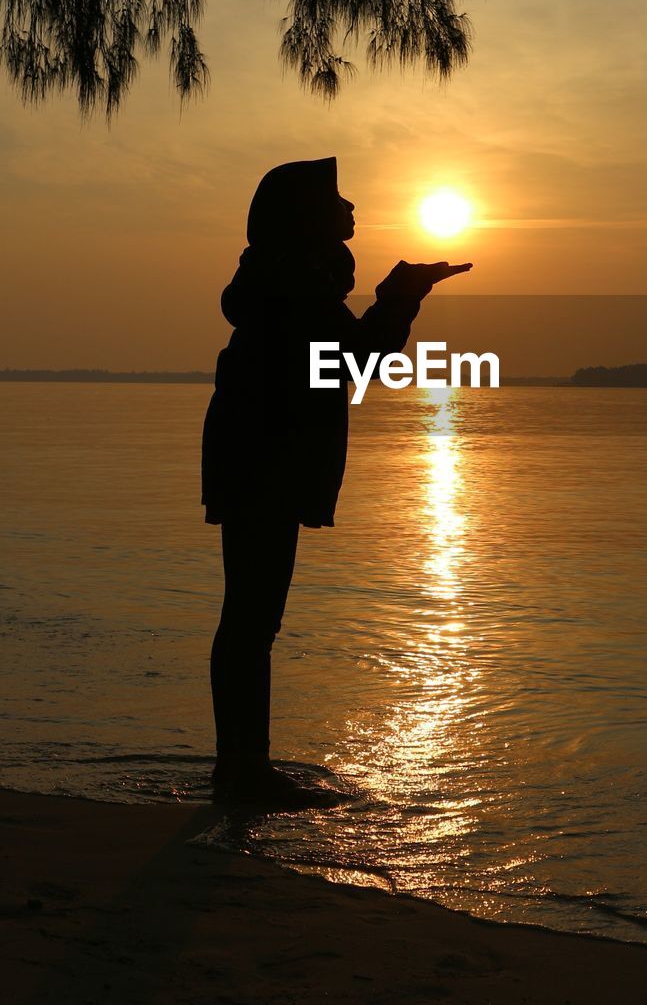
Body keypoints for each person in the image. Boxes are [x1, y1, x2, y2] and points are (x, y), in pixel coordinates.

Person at [201, 157, 471, 802]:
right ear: (306, 218)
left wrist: (397, 295)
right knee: (252, 617)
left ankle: (240, 766)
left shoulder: (291, 280)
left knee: (250, 615)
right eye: (338, 200)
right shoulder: (292, 284)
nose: (352, 208)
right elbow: (356, 361)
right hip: (263, 458)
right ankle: (243, 772)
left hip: (258, 454)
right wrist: (402, 295)